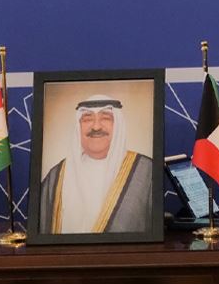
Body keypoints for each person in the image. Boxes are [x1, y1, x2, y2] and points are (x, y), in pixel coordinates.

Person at [35, 97, 154, 233]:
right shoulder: (57, 176)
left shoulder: (146, 171)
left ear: (118, 125)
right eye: (87, 119)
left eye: (106, 118)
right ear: (78, 127)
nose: (96, 127)